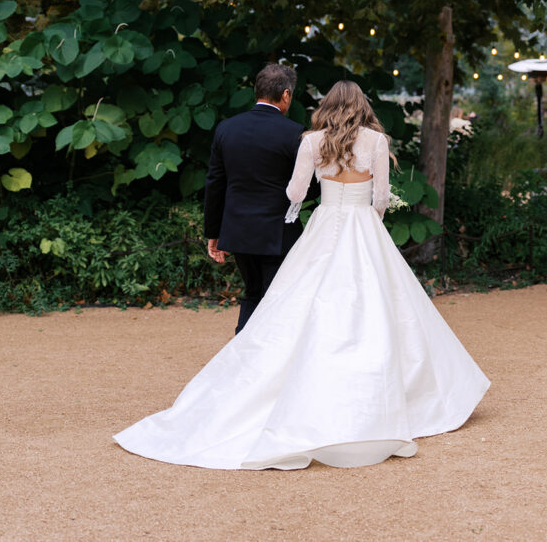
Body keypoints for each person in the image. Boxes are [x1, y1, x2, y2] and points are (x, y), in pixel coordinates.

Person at [116, 81, 490, 470]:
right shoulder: (376, 142)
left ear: (326, 106)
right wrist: (367, 221)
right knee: (382, 305)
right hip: (363, 226)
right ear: (362, 106)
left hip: (325, 223)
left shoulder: (312, 141)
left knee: (296, 300)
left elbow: (295, 191)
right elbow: (381, 198)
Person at [204, 63, 314, 334]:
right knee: (277, 298)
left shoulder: (226, 129)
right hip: (279, 231)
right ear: (286, 95)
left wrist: (213, 232)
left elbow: (215, 184)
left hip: (238, 231)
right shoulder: (295, 134)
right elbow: (307, 187)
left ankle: (242, 354)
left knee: (252, 293)